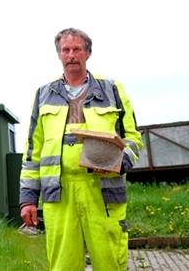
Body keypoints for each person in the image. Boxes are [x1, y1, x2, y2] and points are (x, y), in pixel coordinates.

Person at [20, 28, 142, 271]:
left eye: (77, 49)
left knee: (110, 262)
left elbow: (134, 139)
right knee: (63, 264)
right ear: (59, 55)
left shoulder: (112, 90)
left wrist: (120, 163)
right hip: (59, 192)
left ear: (88, 53)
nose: (71, 55)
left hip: (102, 192)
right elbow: (33, 152)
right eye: (66, 50)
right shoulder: (43, 95)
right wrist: (27, 199)